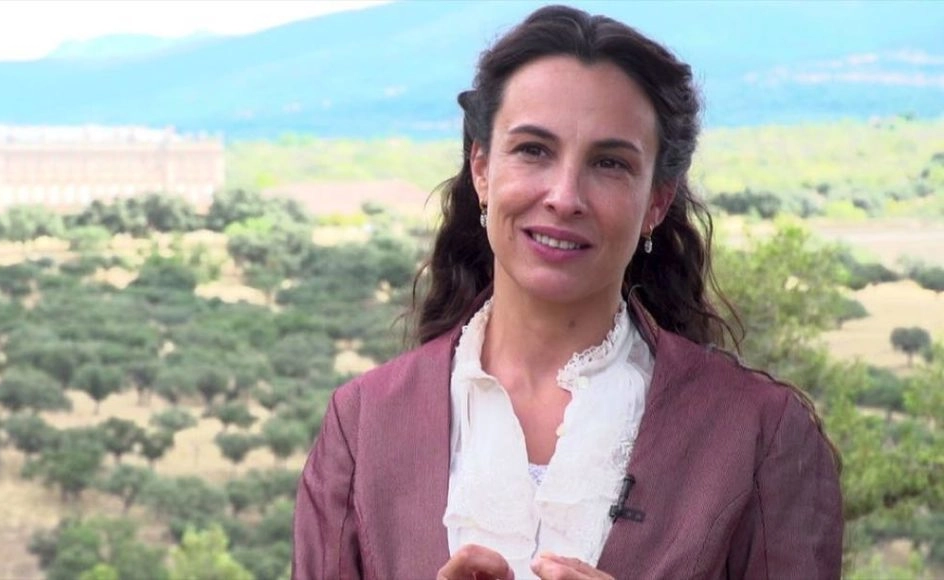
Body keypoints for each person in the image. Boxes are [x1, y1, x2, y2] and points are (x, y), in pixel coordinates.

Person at [293, 5, 843, 579]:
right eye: (533, 150)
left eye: (609, 163)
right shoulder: (363, 426)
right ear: (481, 168)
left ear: (656, 201)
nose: (564, 196)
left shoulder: (761, 435)